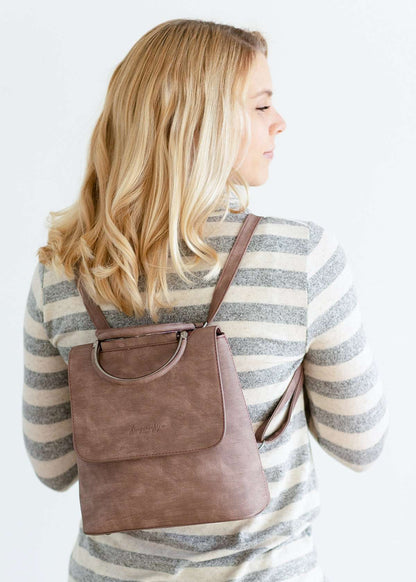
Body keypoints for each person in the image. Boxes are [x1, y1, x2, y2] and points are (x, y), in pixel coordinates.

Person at [22, 18, 389, 582]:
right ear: (205, 121)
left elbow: (54, 466)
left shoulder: (63, 270)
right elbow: (359, 445)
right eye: (262, 106)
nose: (281, 122)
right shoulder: (301, 258)